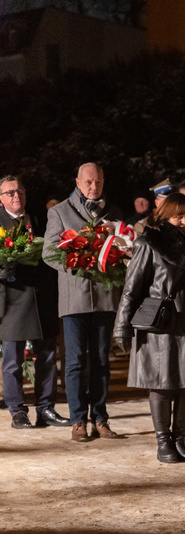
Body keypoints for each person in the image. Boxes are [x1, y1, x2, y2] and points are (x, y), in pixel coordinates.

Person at [113, 193, 185, 463]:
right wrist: (122, 326)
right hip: (162, 324)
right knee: (162, 384)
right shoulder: (150, 242)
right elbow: (131, 288)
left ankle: (180, 440)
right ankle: (163, 443)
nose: (184, 221)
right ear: (165, 216)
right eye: (178, 216)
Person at [42, 163, 123, 442]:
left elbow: (123, 248)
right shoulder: (60, 211)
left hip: (104, 298)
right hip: (74, 299)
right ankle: (78, 420)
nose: (94, 187)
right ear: (77, 181)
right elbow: (49, 253)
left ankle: (100, 417)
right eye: (89, 182)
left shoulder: (114, 212)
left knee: (101, 360)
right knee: (75, 361)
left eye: (98, 182)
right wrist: (78, 264)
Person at [0, 175, 69, 429]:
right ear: (0, 199)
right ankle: (17, 411)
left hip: (42, 299)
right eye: (9, 192)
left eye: (20, 191)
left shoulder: (40, 219)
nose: (16, 195)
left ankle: (46, 409)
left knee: (48, 355)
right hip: (11, 300)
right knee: (12, 360)